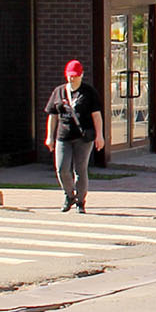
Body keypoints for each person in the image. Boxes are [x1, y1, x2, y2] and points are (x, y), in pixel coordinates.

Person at [43, 58, 104, 213]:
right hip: (63, 136)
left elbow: (96, 115)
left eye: (75, 76)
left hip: (83, 137)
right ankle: (69, 195)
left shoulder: (89, 92)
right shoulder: (59, 92)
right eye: (70, 75)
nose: (72, 78)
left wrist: (100, 136)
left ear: (81, 75)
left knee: (80, 169)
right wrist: (50, 136)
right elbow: (52, 116)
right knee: (62, 168)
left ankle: (80, 201)